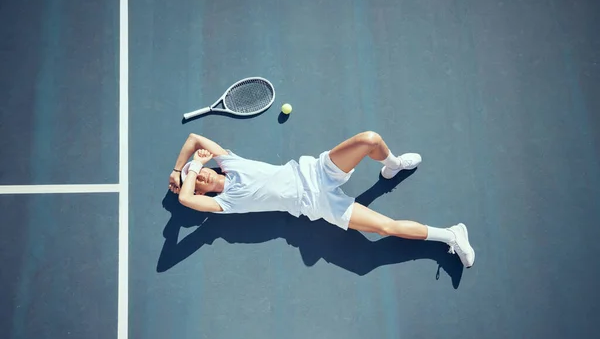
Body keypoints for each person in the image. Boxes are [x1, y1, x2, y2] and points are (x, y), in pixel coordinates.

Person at [168, 131, 475, 267]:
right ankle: (451, 234)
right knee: (385, 228)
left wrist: (179, 169)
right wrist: (193, 169)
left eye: (203, 171)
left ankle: (392, 164)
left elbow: (194, 138)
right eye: (198, 184)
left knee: (370, 140)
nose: (202, 177)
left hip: (317, 170)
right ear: (204, 194)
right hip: (317, 205)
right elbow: (184, 201)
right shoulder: (225, 203)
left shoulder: (229, 162)